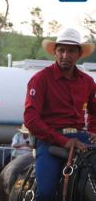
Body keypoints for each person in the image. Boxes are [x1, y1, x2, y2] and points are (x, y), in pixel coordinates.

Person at [24, 28, 96, 201]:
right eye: (61, 50)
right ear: (55, 52)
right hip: (50, 141)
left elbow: (94, 111)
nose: (65, 55)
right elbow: (31, 119)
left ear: (79, 54)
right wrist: (64, 141)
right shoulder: (40, 79)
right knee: (46, 192)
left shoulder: (88, 82)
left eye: (71, 51)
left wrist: (93, 132)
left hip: (81, 138)